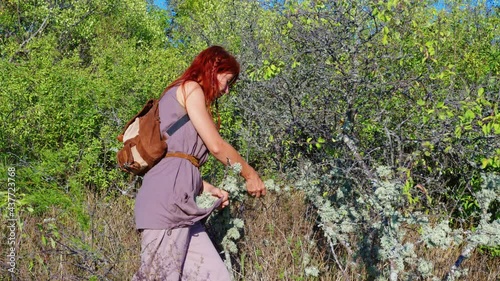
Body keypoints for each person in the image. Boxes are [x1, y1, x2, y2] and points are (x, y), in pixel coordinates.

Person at [133, 46, 266, 280]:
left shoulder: (188, 96)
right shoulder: (190, 88)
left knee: (215, 276)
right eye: (227, 81)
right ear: (212, 69)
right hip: (165, 206)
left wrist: (208, 188)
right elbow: (216, 146)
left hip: (183, 208)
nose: (226, 91)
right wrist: (250, 174)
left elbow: (177, 162)